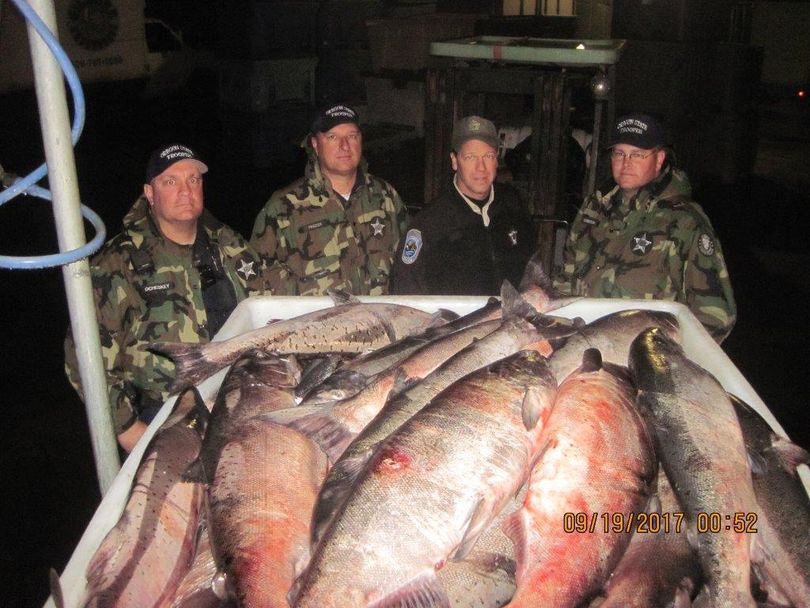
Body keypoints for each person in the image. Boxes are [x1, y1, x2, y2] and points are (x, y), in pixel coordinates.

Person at [64, 144, 264, 451]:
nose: (185, 191)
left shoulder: (230, 245)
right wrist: (131, 433)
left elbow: (268, 310)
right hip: (165, 418)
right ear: (150, 193)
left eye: (193, 180)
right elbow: (83, 354)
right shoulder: (119, 262)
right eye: (170, 182)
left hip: (240, 405)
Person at [554, 113, 737, 342]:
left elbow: (717, 317)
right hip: (582, 345)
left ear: (659, 159)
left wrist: (661, 357)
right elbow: (564, 279)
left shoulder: (684, 222)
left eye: (637, 154)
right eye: (619, 153)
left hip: (641, 357)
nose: (626, 163)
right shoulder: (594, 209)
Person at [250, 103, 408, 295]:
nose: (345, 146)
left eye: (352, 136)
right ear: (315, 144)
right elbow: (257, 277)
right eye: (332, 137)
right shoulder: (284, 207)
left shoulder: (385, 196)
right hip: (319, 323)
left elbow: (410, 262)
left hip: (380, 320)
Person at [389, 115, 536, 295]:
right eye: (470, 157)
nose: (481, 167)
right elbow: (405, 292)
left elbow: (534, 268)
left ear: (497, 159)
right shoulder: (428, 225)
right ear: (454, 161)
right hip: (460, 322)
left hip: (516, 319)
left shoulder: (514, 205)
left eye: (488, 156)